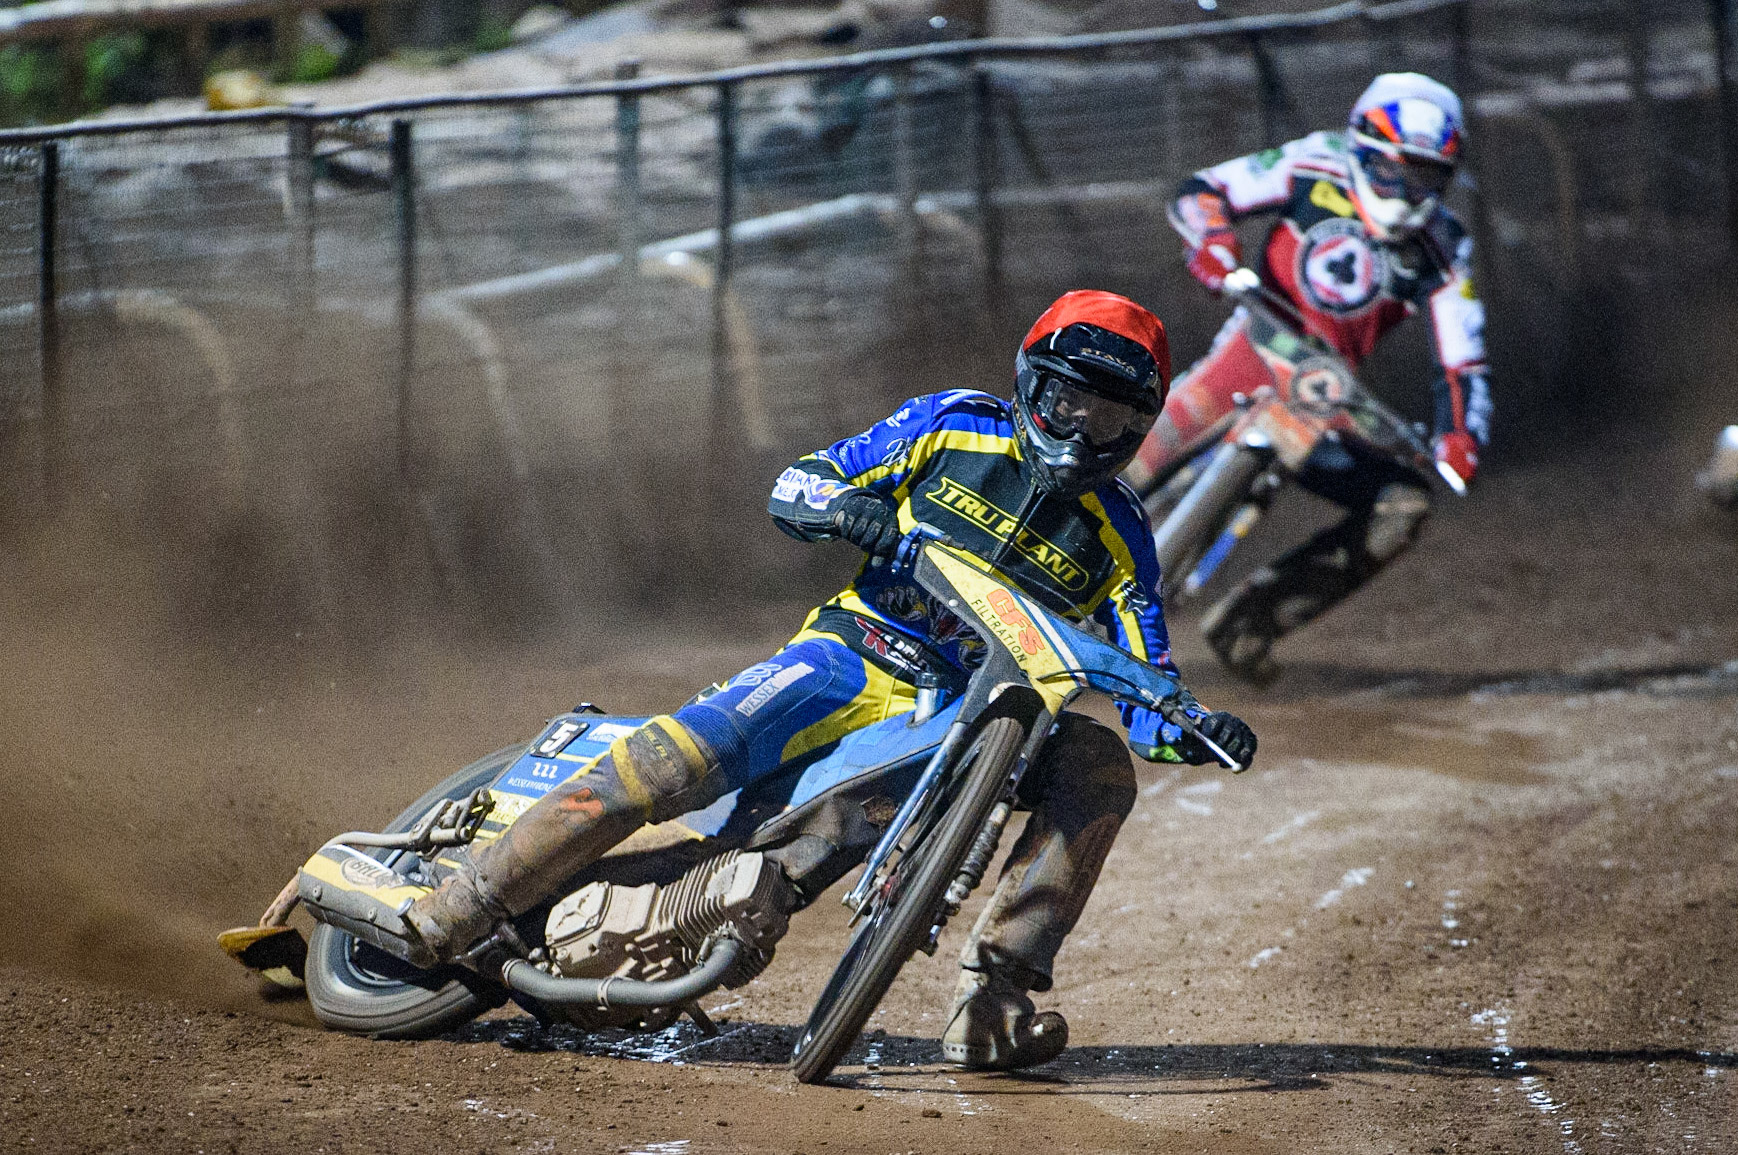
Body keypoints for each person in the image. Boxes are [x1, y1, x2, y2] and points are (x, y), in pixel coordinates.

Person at [347, 290, 1256, 1072]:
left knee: (1091, 765)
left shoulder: (1122, 533)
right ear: (1030, 384)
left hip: (964, 720)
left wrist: (1196, 724)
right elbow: (801, 482)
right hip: (849, 652)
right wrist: (855, 512)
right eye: (1064, 402)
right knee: (668, 766)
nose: (1078, 431)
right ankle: (457, 904)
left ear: (1137, 428)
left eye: (1105, 418)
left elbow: (1148, 692)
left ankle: (995, 1000)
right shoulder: (952, 423)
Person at [1125, 72, 1492, 683]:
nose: (1402, 191)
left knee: (1402, 505)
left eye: (1422, 175)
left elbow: (1464, 359)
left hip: (1327, 397)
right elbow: (1202, 190)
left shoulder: (1446, 245)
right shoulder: (1314, 161)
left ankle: (1247, 624)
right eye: (1389, 170)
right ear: (1360, 150)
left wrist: (1462, 440)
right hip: (1251, 351)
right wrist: (1216, 247)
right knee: (1112, 467)